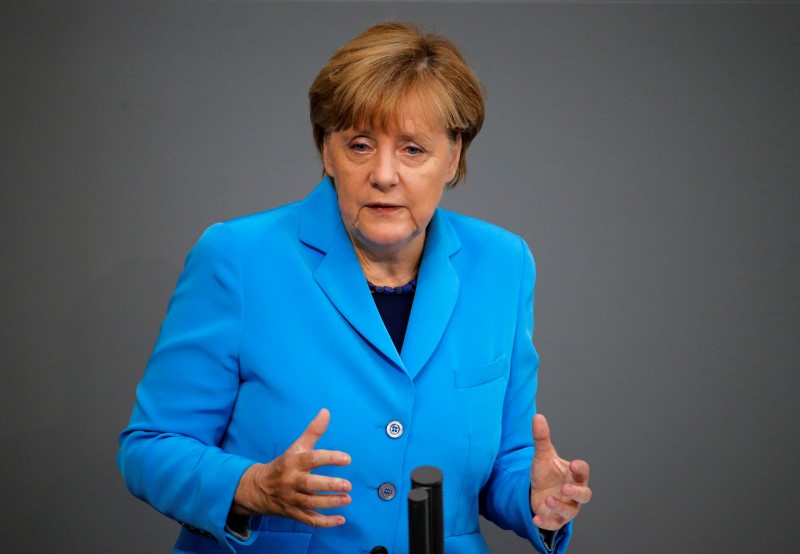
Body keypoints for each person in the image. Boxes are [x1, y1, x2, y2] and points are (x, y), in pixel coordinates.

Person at [118, 21, 591, 554]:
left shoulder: (504, 264)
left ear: (454, 157)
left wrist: (535, 498)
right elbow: (150, 449)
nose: (384, 174)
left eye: (413, 149)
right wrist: (252, 487)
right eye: (360, 145)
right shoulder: (238, 257)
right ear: (327, 151)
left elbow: (504, 461)